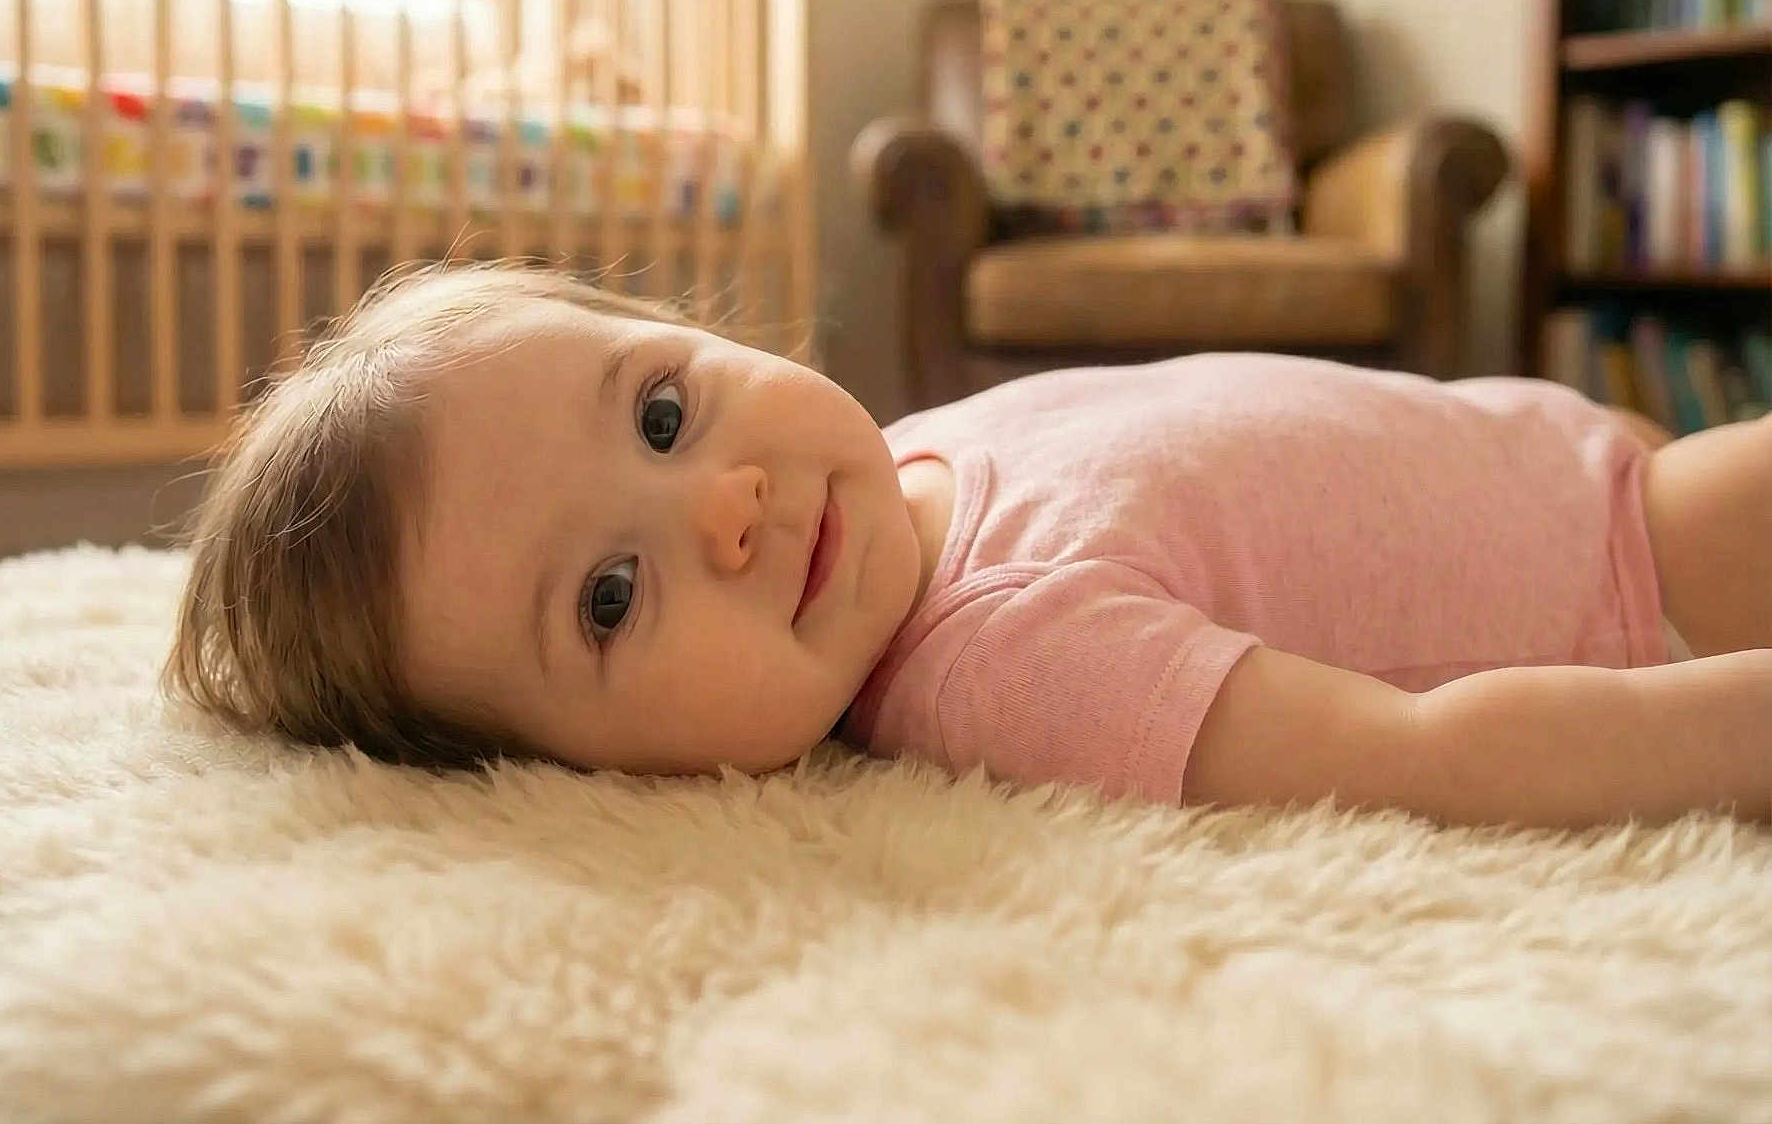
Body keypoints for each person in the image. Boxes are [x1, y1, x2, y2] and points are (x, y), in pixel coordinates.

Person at [164, 259, 1772, 829]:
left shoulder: (916, 455)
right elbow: (1424, 751)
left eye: (661, 414)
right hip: (1639, 572)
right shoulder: (1009, 658)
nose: (720, 503)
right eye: (607, 597)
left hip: (1569, 450)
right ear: (578, 773)